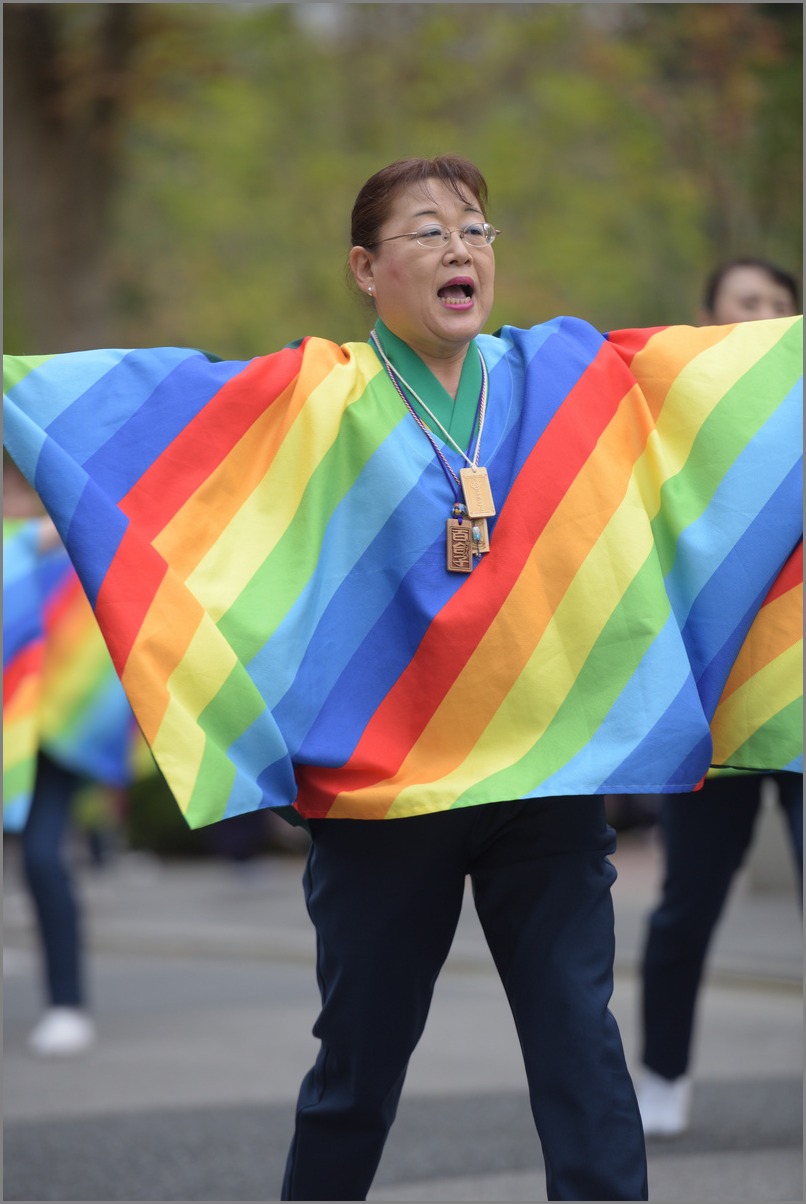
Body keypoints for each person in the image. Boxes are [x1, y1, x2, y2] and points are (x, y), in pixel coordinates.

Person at [3, 156, 802, 1200]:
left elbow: (718, 388)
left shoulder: (566, 375)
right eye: (426, 232)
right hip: (383, 794)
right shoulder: (312, 397)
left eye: (475, 228)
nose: (460, 246)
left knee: (578, 1046)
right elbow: (159, 414)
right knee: (357, 1073)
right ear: (364, 268)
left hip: (541, 774)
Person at [636, 257, 803, 1138]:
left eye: (782, 306)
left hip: (804, 703)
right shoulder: (668, 414)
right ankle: (662, 1070)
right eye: (749, 303)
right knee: (688, 902)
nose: (768, 316)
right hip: (713, 707)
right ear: (704, 318)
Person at [4, 465, 149, 1056]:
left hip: (51, 729)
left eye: (18, 485)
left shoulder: (63, 534)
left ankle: (66, 1002)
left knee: (42, 857)